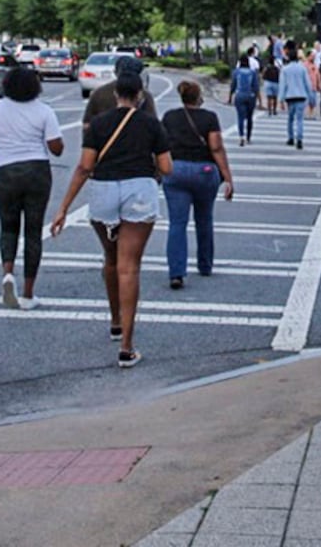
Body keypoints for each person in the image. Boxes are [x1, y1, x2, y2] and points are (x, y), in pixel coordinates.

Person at [52, 74, 172, 368]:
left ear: (117, 93)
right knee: (129, 267)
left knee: (110, 258)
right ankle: (127, 347)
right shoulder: (151, 124)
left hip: (104, 191)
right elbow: (166, 167)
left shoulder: (99, 125)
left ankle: (115, 320)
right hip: (139, 191)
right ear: (140, 96)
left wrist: (63, 208)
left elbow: (84, 167)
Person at [0, 65, 63, 310]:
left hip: (5, 171)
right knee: (33, 232)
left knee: (8, 228)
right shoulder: (44, 111)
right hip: (37, 171)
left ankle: (8, 273)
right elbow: (56, 149)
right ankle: (28, 293)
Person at [161, 80, 235, 289]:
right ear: (199, 98)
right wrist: (228, 177)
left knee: (177, 223)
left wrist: (159, 171)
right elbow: (216, 148)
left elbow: (161, 146)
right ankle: (205, 264)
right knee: (204, 219)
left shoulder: (170, 117)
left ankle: (176, 272)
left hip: (176, 170)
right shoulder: (209, 118)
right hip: (204, 171)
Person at [83, 54, 154, 128]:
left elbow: (87, 124)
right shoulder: (144, 95)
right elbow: (154, 125)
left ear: (115, 72)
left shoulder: (99, 93)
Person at [278, 44, 316, 148]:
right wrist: (311, 95)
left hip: (290, 96)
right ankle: (299, 139)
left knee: (290, 119)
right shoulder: (302, 68)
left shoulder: (285, 69)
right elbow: (307, 83)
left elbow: (283, 85)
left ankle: (291, 138)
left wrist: (280, 99)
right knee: (300, 119)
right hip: (301, 95)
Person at [229, 53, 261, 146]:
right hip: (250, 96)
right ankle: (248, 137)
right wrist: (259, 99)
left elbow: (233, 85)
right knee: (250, 117)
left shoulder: (236, 72)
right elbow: (256, 87)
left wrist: (230, 97)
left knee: (240, 117)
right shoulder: (253, 72)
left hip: (239, 95)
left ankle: (241, 137)